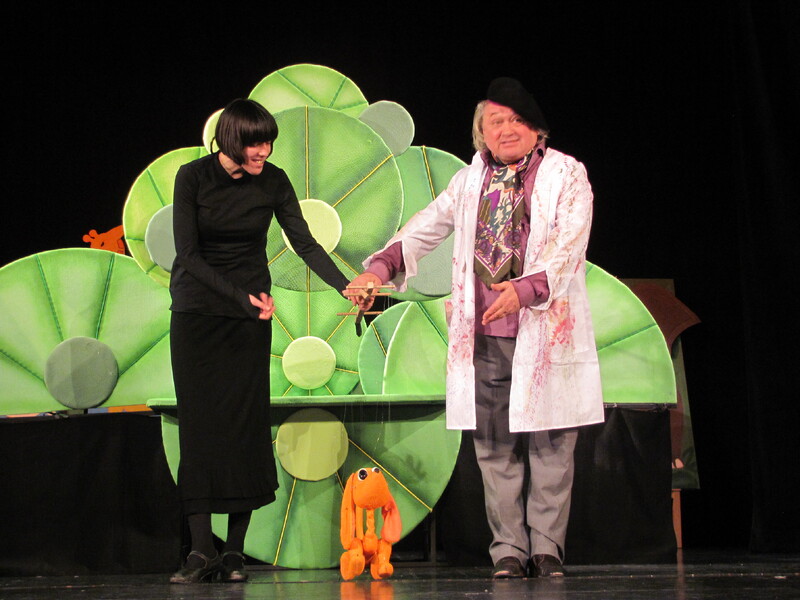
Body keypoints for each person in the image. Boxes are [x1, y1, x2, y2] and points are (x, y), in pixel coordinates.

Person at [346, 78, 604, 578]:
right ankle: (508, 549)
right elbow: (425, 227)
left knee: (551, 446)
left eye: (517, 120)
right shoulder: (469, 181)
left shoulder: (565, 173)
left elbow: (571, 242)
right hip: (485, 337)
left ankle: (547, 548)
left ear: (536, 129)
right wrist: (378, 270)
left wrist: (524, 289)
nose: (506, 129)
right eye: (495, 122)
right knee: (494, 449)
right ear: (481, 132)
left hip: (542, 329)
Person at [168, 98, 351, 583]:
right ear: (231, 139)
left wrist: (345, 285)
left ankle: (233, 551)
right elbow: (188, 255)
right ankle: (200, 549)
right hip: (198, 315)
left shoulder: (272, 180)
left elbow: (304, 243)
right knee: (200, 428)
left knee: (243, 428)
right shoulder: (193, 177)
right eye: (255, 143)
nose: (264, 151)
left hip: (248, 320)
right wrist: (241, 297)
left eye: (268, 143)